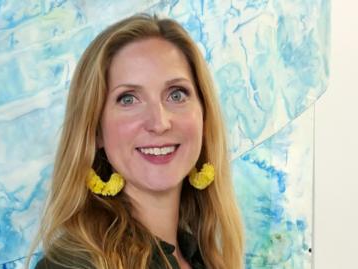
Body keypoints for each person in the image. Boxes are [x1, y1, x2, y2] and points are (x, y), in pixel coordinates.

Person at [28, 14, 244, 269]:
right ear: (95, 130)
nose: (159, 122)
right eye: (128, 99)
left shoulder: (205, 258)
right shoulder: (72, 266)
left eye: (176, 94)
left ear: (204, 114)